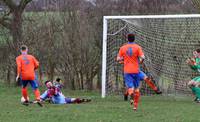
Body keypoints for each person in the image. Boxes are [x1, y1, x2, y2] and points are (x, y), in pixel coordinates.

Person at [117, 33, 145, 111]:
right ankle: (135, 106)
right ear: (134, 39)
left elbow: (118, 59)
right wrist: (141, 61)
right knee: (137, 88)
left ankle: (130, 94)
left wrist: (123, 61)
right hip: (136, 71)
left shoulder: (123, 48)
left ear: (127, 39)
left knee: (130, 87)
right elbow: (142, 57)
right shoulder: (138, 47)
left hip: (127, 71)